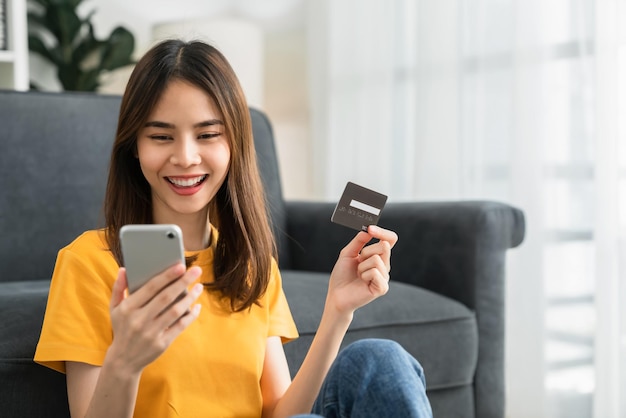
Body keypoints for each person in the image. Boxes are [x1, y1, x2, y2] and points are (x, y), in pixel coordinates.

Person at [34, 39, 433, 418]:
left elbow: (280, 412)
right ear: (134, 146)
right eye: (160, 136)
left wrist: (337, 311)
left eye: (207, 135)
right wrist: (126, 360)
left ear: (233, 145)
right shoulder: (88, 263)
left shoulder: (250, 265)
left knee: (380, 359)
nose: (186, 157)